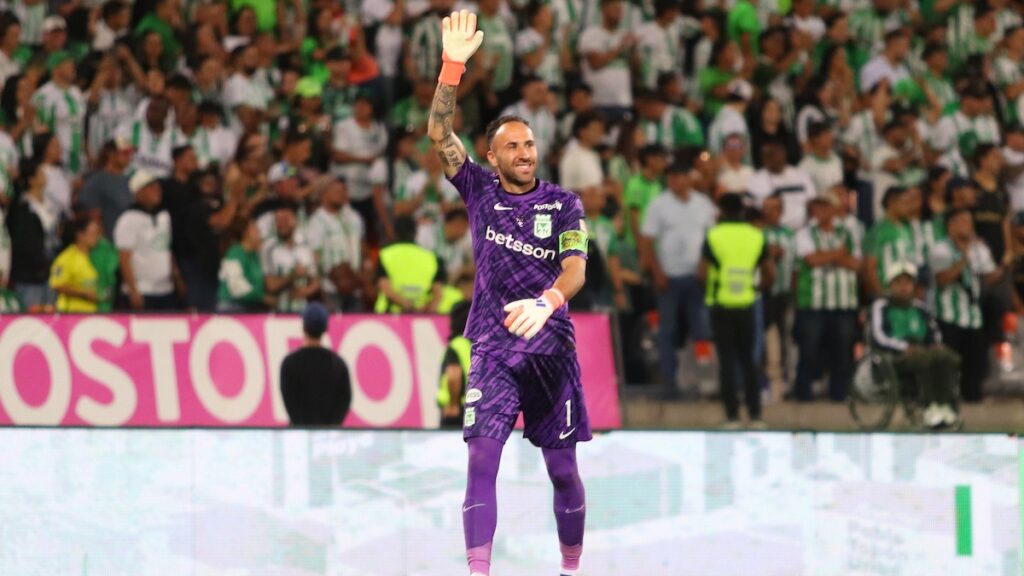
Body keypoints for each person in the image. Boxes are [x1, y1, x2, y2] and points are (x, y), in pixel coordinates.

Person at [427, 11, 590, 576]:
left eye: (529, 143)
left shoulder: (565, 204)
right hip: (494, 348)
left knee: (563, 471)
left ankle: (571, 568)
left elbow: (576, 270)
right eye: (512, 146)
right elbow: (439, 134)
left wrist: (547, 302)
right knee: (481, 460)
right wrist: (452, 69)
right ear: (492, 159)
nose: (524, 152)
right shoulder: (477, 189)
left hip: (551, 349)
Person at [698, 192, 774, 429]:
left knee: (727, 361)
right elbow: (770, 272)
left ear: (721, 211)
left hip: (721, 304)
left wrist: (712, 287)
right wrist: (754, 288)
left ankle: (731, 416)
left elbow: (701, 272)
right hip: (747, 304)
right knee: (749, 361)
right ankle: (755, 415)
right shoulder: (756, 235)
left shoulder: (714, 235)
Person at [869, 261, 960, 428]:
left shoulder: (920, 308)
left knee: (947, 357)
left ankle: (945, 406)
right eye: (899, 282)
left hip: (921, 350)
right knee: (923, 358)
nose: (904, 287)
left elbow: (934, 332)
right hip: (894, 356)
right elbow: (879, 337)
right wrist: (903, 347)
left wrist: (936, 344)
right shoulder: (881, 306)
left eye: (908, 282)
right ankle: (929, 406)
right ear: (890, 285)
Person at [280, 302, 352, 426]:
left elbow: (289, 401)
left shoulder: (290, 363)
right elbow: (344, 400)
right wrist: (330, 428)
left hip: (300, 434)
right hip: (329, 435)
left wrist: (302, 427)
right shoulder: (338, 364)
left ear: (304, 327)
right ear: (325, 328)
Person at [374, 215, 445, 313]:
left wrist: (408, 306)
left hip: (389, 315)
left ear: (395, 232)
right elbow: (438, 293)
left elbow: (385, 287)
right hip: (422, 315)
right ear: (415, 232)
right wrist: (427, 312)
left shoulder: (386, 254)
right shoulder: (431, 257)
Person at [49, 214, 101, 312]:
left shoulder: (94, 257)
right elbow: (57, 284)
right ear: (80, 235)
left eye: (97, 233)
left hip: (91, 312)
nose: (97, 237)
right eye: (93, 233)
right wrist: (84, 294)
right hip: (70, 313)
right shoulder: (66, 258)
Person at [438, 299, 473, 429]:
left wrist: (453, 404)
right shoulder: (478, 344)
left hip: (458, 410)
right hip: (476, 408)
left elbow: (454, 374)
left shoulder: (457, 345)